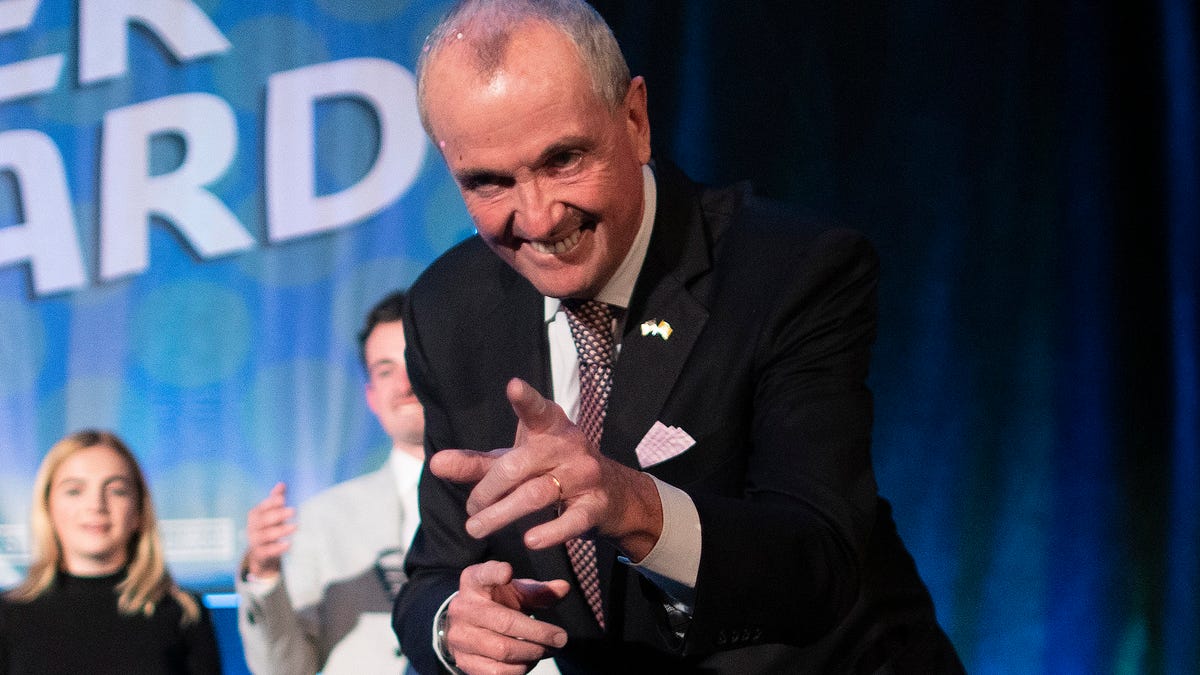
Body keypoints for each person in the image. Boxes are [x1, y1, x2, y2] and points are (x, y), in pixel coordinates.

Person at [391, 1, 966, 674]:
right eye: (488, 181)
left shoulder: (791, 271)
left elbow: (819, 559)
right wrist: (452, 625)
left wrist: (632, 504)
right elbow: (433, 572)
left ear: (634, 121)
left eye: (565, 159)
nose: (539, 218)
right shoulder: (447, 308)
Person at [234, 290, 426, 674]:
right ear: (371, 396)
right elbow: (285, 670)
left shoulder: (517, 494)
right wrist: (265, 575)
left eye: (413, 362)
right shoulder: (324, 518)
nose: (404, 384)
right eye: (385, 371)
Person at [0, 429, 221, 673]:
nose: (96, 505)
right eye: (74, 490)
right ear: (47, 507)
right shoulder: (8, 616)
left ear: (138, 511)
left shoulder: (183, 613)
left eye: (116, 490)